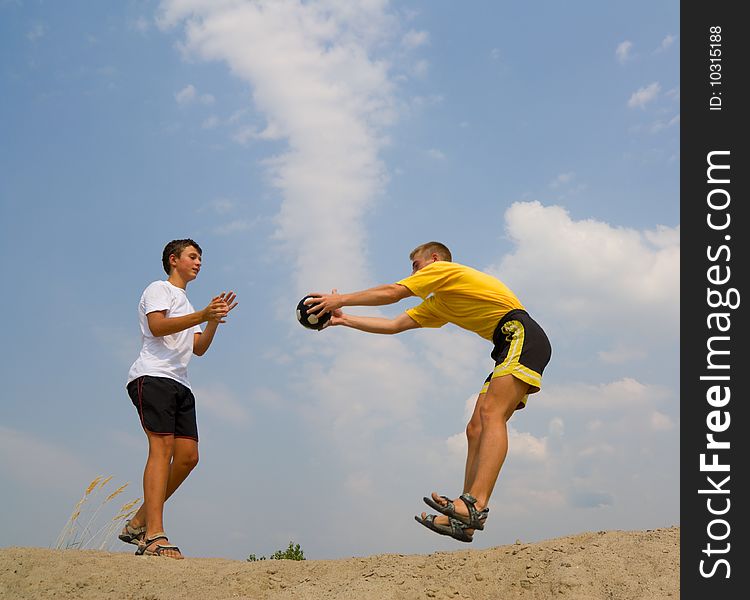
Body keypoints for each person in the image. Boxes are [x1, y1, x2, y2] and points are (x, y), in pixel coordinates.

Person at [306, 241, 551, 543]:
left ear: (434, 260)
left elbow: (394, 293)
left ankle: (476, 503)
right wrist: (344, 319)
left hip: (521, 334)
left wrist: (340, 299)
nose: (413, 272)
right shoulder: (441, 303)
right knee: (475, 428)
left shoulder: (446, 271)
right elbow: (395, 324)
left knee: (491, 414)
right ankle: (465, 519)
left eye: (416, 265)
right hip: (506, 344)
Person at [120, 239, 238, 558]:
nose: (199, 262)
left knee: (188, 457)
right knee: (162, 448)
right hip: (153, 376)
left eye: (200, 258)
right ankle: (154, 535)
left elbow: (198, 348)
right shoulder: (159, 289)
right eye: (193, 256)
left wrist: (211, 321)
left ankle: (140, 519)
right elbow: (157, 327)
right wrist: (203, 312)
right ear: (174, 260)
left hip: (181, 383)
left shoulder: (186, 305)